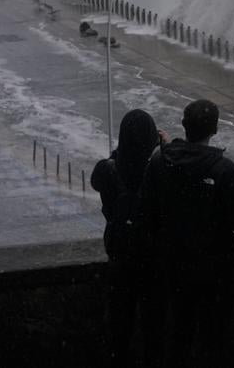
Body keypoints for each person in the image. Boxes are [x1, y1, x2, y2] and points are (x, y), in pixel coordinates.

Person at [140, 98, 234, 366]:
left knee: (177, 337)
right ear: (214, 130)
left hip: (172, 267)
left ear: (184, 125)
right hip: (216, 272)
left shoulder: (160, 162)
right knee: (214, 340)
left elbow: (149, 211)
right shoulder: (225, 170)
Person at [91, 108, 168, 367]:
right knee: (154, 329)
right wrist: (164, 148)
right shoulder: (159, 170)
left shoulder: (107, 171)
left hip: (121, 258)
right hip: (153, 259)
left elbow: (96, 180)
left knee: (118, 328)